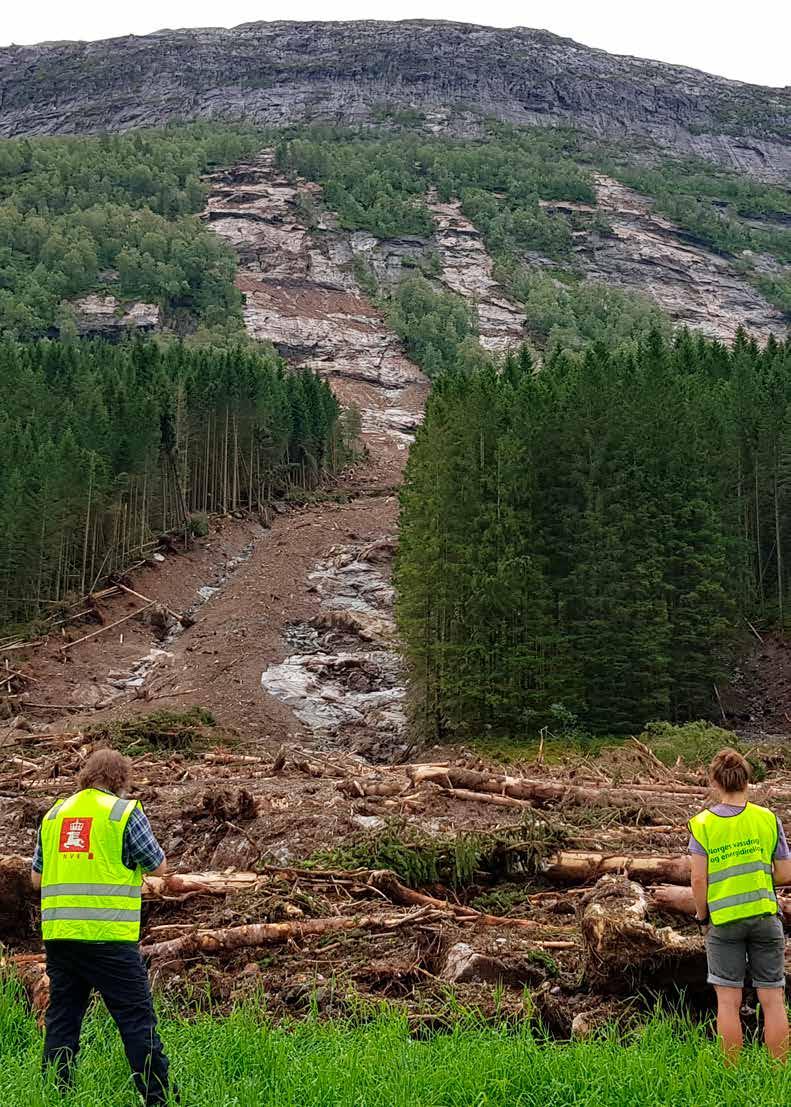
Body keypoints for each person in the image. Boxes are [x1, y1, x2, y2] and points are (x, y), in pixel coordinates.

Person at [31, 747, 173, 1103]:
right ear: (120, 780)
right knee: (137, 1020)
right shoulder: (122, 813)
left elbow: (37, 878)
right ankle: (158, 1097)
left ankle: (55, 1094)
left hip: (61, 938)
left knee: (63, 1020)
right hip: (109, 938)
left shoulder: (54, 815)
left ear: (86, 776)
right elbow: (157, 866)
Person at [689, 747, 791, 1062]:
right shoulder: (767, 819)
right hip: (764, 917)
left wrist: (702, 916)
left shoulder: (702, 824)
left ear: (714, 782)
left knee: (728, 1001)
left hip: (724, 921)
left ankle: (731, 1073)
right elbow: (785, 873)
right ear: (747, 780)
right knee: (773, 999)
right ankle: (781, 1071)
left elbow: (697, 881)